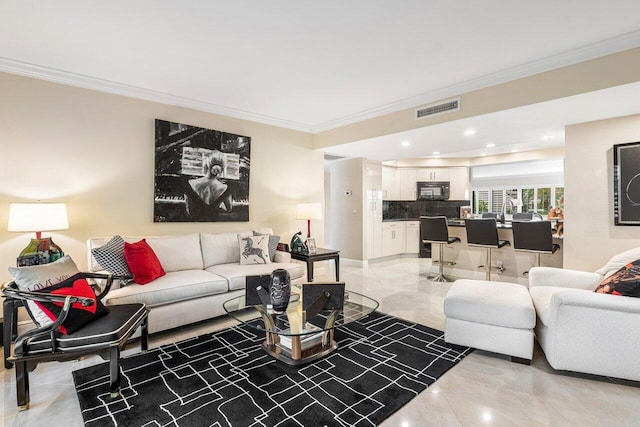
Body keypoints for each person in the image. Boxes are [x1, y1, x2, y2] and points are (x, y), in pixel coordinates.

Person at [185, 150, 233, 219]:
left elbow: (189, 211)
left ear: (206, 164)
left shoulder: (190, 183)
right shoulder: (225, 188)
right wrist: (220, 205)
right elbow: (229, 209)